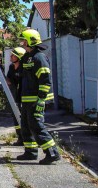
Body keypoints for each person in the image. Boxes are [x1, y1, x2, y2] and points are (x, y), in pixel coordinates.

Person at [17, 29, 62, 165]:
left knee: (37, 126)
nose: (22, 43)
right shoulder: (27, 57)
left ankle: (52, 153)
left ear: (30, 41)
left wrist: (41, 99)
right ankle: (30, 152)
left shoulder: (39, 57)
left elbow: (45, 80)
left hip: (36, 100)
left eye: (24, 40)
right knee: (25, 126)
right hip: (26, 99)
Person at [5, 47, 26, 146]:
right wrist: (8, 81)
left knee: (26, 118)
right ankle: (20, 138)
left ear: (19, 57)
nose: (11, 56)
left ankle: (29, 138)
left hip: (25, 96)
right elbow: (9, 78)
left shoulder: (24, 68)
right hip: (16, 96)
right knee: (16, 116)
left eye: (13, 55)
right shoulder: (11, 67)